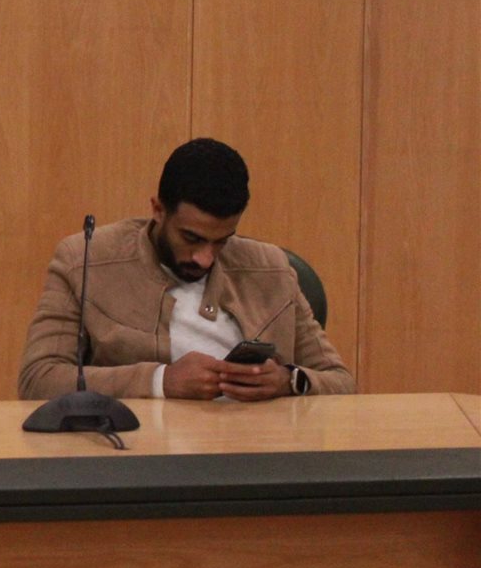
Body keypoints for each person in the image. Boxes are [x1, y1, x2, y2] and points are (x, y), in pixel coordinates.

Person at [18, 137, 354, 402]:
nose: (205, 258)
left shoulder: (271, 269)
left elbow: (340, 381)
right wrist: (160, 381)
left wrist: (288, 381)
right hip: (140, 455)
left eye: (221, 241)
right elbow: (39, 379)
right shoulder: (85, 259)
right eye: (191, 238)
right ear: (158, 210)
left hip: (257, 451)